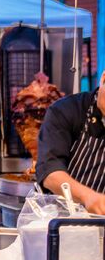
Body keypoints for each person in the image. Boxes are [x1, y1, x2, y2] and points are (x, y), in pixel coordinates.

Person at [36, 69, 105, 214]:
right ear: (103, 78)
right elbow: (50, 172)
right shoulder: (66, 110)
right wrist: (89, 198)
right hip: (60, 221)